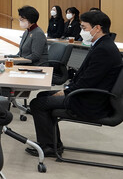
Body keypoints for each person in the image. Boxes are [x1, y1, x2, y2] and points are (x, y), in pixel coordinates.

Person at [28, 10, 123, 157]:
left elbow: (88, 80)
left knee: (37, 104)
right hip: (88, 93)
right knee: (42, 95)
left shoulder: (104, 49)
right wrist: (67, 88)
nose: (81, 31)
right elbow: (87, 77)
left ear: (97, 28)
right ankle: (53, 143)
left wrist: (66, 91)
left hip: (90, 100)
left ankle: (49, 147)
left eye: (84, 28)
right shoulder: (103, 44)